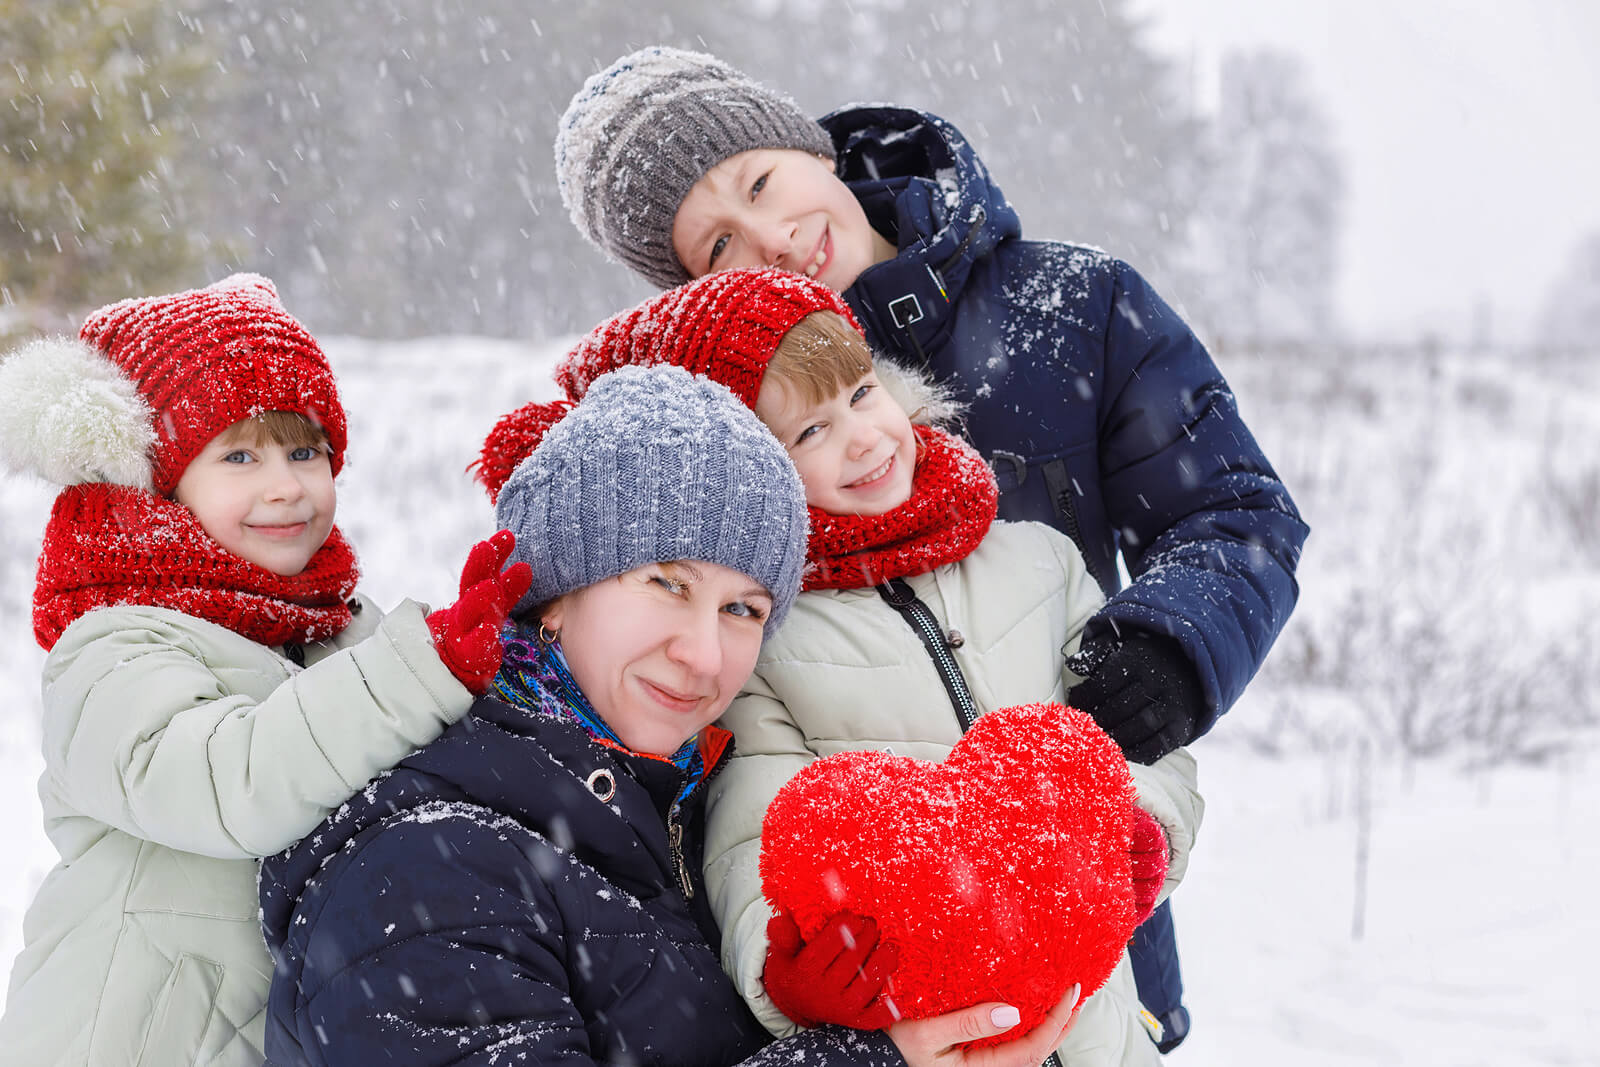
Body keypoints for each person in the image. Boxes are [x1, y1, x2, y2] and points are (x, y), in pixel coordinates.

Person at [553, 47, 1310, 1048]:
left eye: (763, 182)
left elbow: (1236, 509)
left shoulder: (1075, 308)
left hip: (1095, 944)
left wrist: (1167, 649)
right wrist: (787, 940)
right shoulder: (723, 425)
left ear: (811, 144)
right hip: (891, 998)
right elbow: (743, 762)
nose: (773, 237)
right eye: (718, 245)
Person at [260, 364, 1080, 1067]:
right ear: (555, 595)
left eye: (745, 609)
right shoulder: (430, 870)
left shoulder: (676, 817)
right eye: (668, 584)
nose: (705, 655)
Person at [479, 269, 1203, 1064]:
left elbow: (1134, 737)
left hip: (1091, 1019)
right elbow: (753, 824)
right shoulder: (759, 639)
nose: (862, 437)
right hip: (931, 1023)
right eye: (808, 434)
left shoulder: (1039, 560)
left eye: (860, 393)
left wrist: (1146, 825)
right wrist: (780, 965)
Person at [0, 274, 529, 1066]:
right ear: (159, 481)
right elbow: (230, 781)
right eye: (239, 453)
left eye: (305, 449)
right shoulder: (112, 648)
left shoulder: (332, 633)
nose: (286, 486)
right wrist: (424, 666)